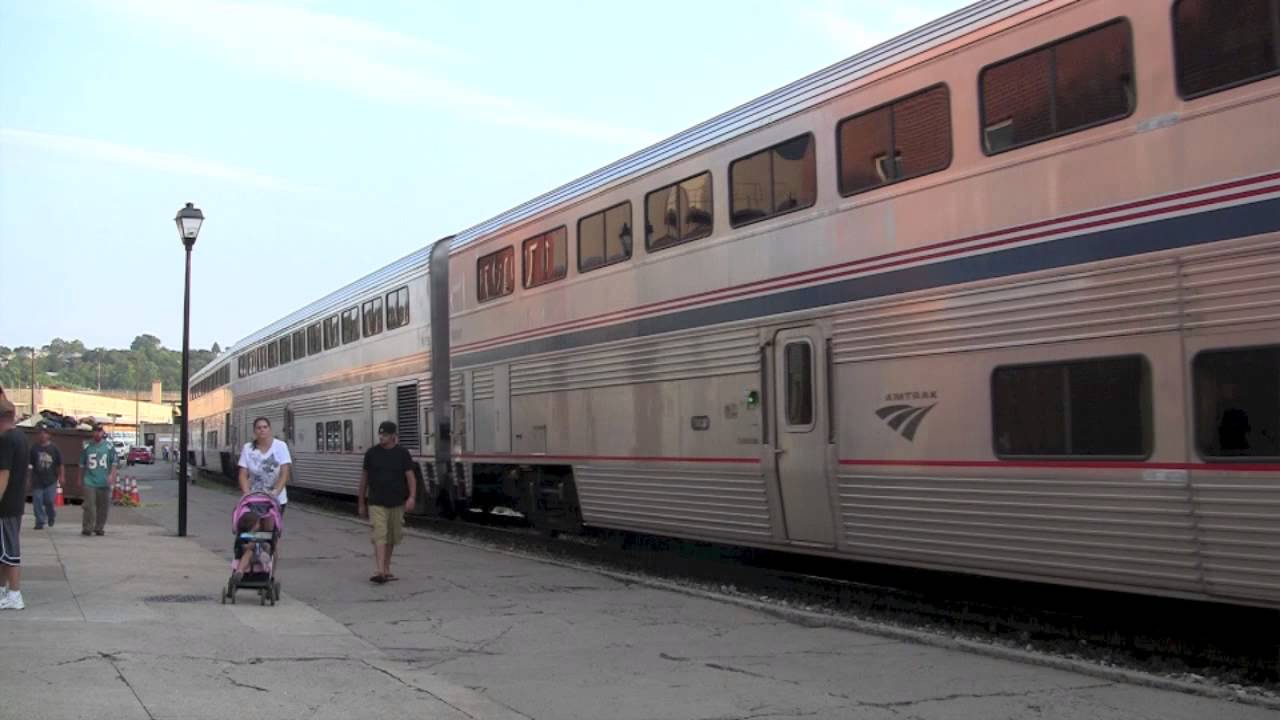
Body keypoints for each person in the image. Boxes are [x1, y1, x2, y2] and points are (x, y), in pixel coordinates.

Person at [358, 421, 415, 584]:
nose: (381, 437)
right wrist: (361, 502)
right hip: (377, 502)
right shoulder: (371, 453)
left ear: (393, 436)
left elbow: (410, 477)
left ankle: (386, 568)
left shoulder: (403, 454)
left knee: (392, 536)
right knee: (379, 534)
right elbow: (364, 479)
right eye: (380, 434)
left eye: (385, 434)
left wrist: (411, 497)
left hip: (397, 502)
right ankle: (380, 570)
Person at [0, 398, 29, 609]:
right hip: (15, 502)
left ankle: (15, 594)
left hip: (6, 504)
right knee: (3, 552)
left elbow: (3, 475)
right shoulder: (21, 437)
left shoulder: (6, 440)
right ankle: (4, 591)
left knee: (10, 552)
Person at [237, 417, 291, 514]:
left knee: (270, 527)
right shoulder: (248, 448)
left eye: (265, 427)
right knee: (254, 526)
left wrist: (276, 492)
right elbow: (243, 473)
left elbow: (284, 472)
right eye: (259, 428)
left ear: (270, 429)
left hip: (276, 498)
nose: (262, 430)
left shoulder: (280, 446)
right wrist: (246, 493)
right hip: (254, 498)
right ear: (254, 431)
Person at [80, 424, 118, 536]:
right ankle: (87, 527)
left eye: (99, 431)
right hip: (89, 480)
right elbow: (82, 464)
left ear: (103, 433)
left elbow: (114, 463)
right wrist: (80, 478)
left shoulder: (109, 447)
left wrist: (112, 476)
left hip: (104, 481)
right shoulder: (87, 446)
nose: (97, 434)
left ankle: (99, 527)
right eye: (95, 431)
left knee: (103, 506)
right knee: (89, 505)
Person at [28, 425, 63, 529]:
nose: (42, 435)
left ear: (49, 435)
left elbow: (60, 464)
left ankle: (51, 516)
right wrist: (28, 477)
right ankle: (40, 521)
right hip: (37, 480)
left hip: (51, 480)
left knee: (49, 501)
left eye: (45, 433)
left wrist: (62, 476)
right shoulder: (34, 448)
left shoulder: (54, 448)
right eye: (40, 433)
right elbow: (30, 465)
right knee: (37, 501)